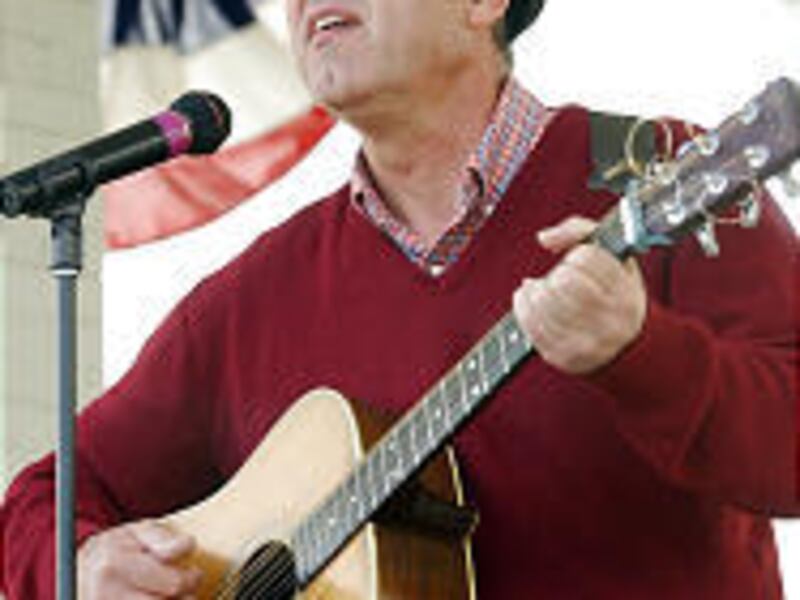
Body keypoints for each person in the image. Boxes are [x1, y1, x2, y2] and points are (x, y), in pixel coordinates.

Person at [2, 0, 798, 597]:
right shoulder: (247, 302)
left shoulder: (659, 171)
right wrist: (79, 565)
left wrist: (641, 353)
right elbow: (41, 496)